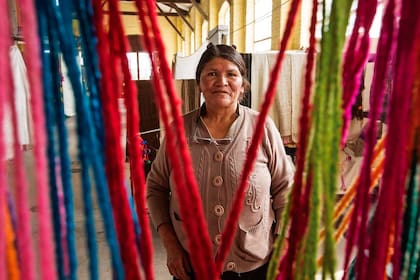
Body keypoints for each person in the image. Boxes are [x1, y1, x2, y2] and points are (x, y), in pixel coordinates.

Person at [146, 43, 294, 280]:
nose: (221, 81)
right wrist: (170, 243)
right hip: (192, 266)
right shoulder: (178, 132)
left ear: (242, 84)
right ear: (200, 83)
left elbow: (286, 189)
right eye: (211, 73)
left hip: (255, 267)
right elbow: (155, 188)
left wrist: (283, 242)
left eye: (231, 74)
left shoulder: (262, 127)